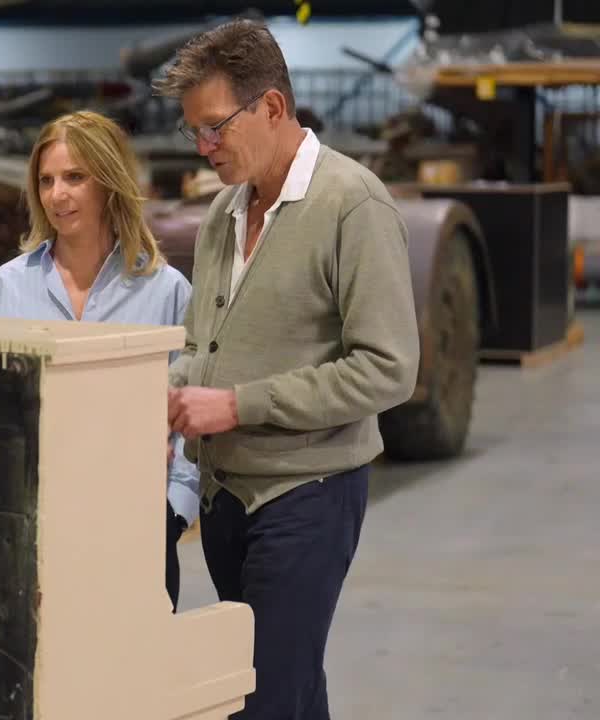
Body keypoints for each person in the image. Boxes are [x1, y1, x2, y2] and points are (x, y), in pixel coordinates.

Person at [155, 19, 419, 720]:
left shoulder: (351, 205)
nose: (205, 147)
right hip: (224, 499)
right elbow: (201, 345)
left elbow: (388, 369)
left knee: (259, 698)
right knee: (293, 688)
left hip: (307, 493)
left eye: (215, 127)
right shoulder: (222, 213)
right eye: (195, 132)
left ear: (272, 107)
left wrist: (239, 405)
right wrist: (171, 396)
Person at [0, 110, 199, 611]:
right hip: (28, 530)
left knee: (134, 680)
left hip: (137, 527)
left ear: (110, 181)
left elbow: (190, 413)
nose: (58, 195)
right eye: (47, 180)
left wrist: (174, 512)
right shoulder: (5, 289)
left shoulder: (167, 292)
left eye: (75, 177)